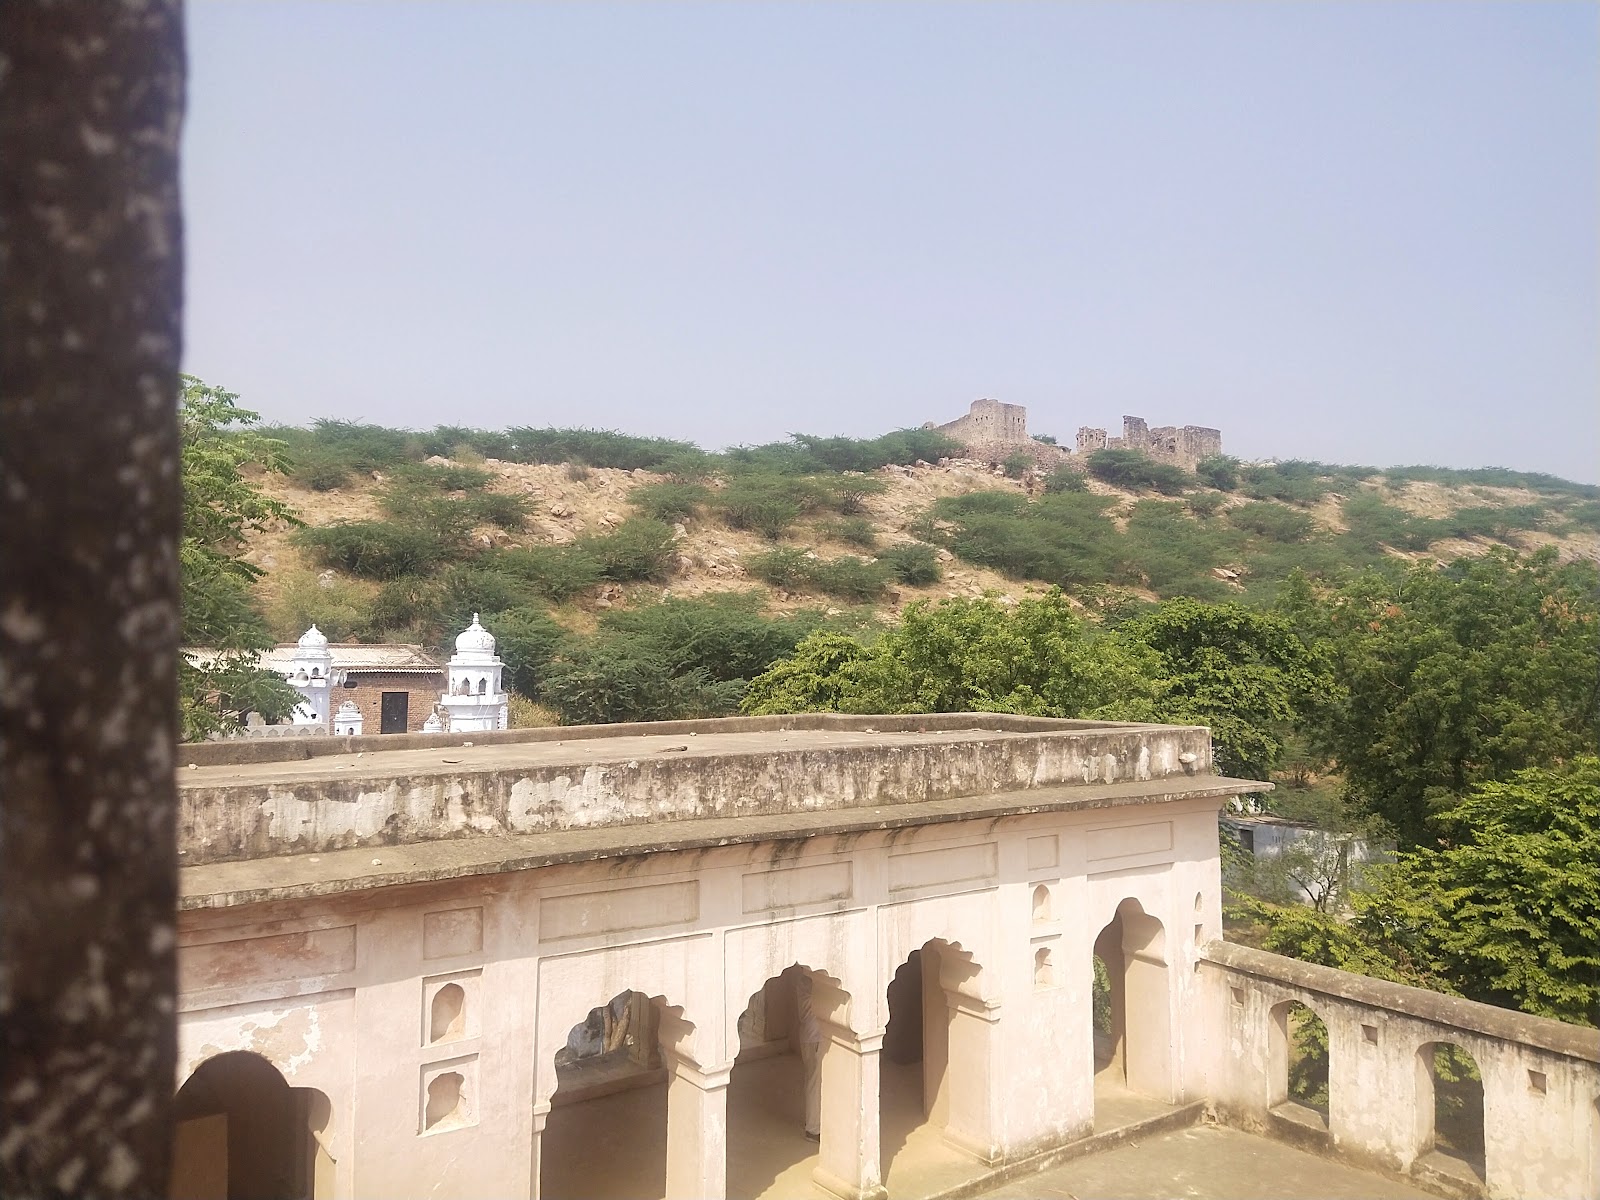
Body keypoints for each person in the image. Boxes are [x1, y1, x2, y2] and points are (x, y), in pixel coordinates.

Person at [796, 973, 822, 1141]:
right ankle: (813, 1128)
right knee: (815, 1082)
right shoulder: (812, 983)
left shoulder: (802, 980)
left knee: (813, 1080)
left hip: (809, 1036)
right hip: (815, 1038)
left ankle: (814, 1122)